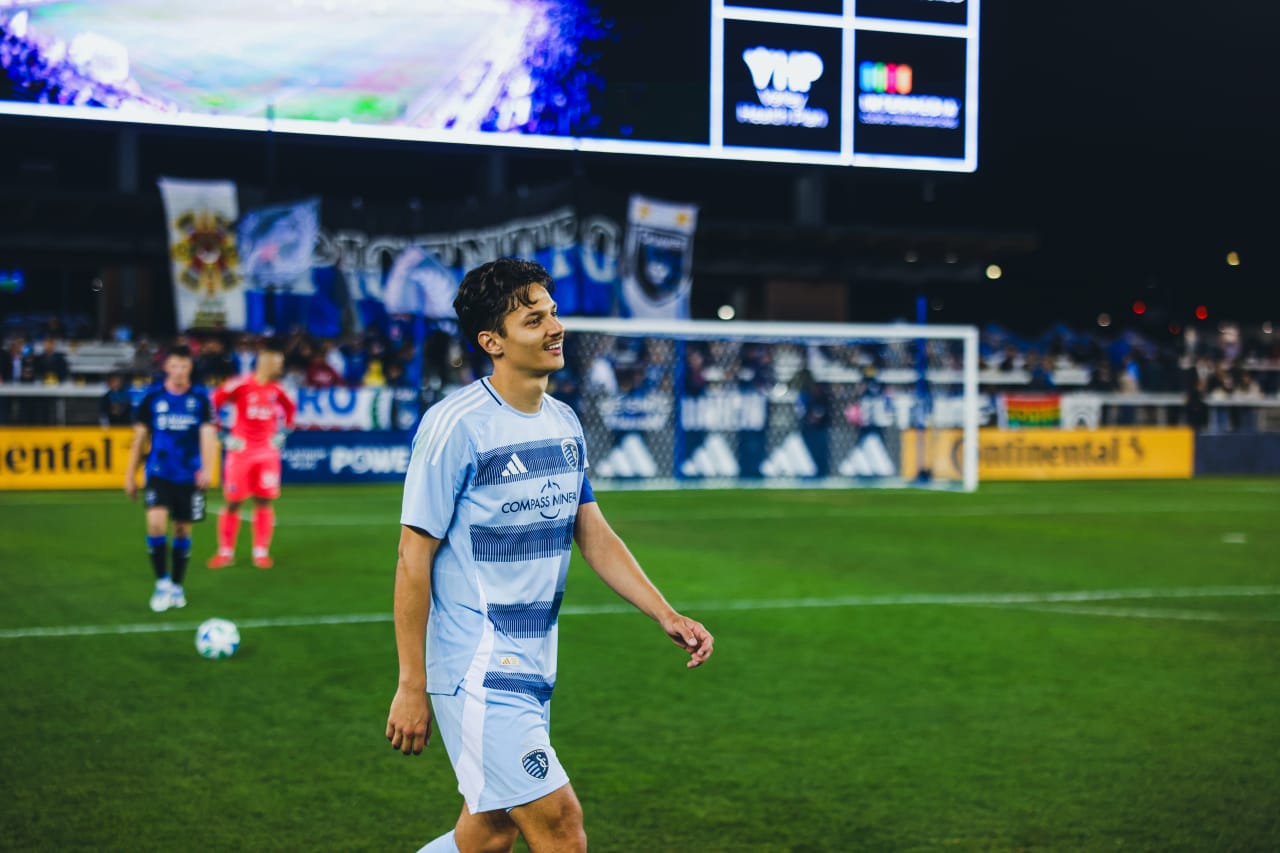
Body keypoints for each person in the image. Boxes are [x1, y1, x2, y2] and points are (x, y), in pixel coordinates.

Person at [386, 258, 714, 853]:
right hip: (476, 663)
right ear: (493, 342)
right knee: (561, 825)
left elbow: (591, 529)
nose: (555, 326)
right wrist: (412, 684)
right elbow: (413, 559)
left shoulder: (564, 421)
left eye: (552, 312)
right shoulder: (454, 426)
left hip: (535, 659)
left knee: (489, 832)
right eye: (534, 319)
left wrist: (666, 613)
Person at [124, 346, 217, 612]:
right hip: (158, 472)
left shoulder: (200, 397)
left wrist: (208, 469)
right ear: (166, 366)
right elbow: (139, 437)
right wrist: (129, 475)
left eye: (184, 366)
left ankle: (177, 585)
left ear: (190, 368)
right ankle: (162, 582)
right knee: (155, 525)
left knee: (181, 530)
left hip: (189, 475)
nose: (179, 371)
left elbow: (208, 434)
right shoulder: (152, 396)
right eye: (175, 366)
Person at [207, 339, 297, 570]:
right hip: (241, 452)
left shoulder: (278, 389)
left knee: (264, 502)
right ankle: (225, 552)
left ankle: (261, 552)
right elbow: (211, 404)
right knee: (233, 502)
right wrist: (223, 435)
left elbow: (291, 410)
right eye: (278, 362)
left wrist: (283, 433)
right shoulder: (240, 385)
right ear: (266, 363)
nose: (281, 367)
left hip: (267, 454)